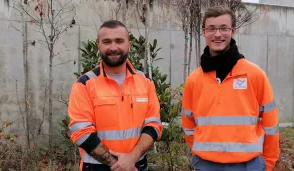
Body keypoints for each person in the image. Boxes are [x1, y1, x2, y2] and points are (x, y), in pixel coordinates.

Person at [181, 6, 279, 171]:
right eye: (211, 29)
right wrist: (201, 151)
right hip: (206, 165)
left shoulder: (255, 75)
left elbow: (271, 124)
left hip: (249, 165)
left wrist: (267, 163)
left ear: (233, 30)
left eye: (223, 28)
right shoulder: (194, 80)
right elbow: (188, 123)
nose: (217, 34)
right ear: (204, 32)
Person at [67, 20, 162, 171]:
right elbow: (81, 132)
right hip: (97, 167)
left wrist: (131, 159)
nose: (113, 47)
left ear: (129, 44)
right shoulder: (84, 84)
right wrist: (119, 165)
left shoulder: (145, 82)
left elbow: (153, 126)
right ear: (98, 45)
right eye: (106, 42)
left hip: (136, 166)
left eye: (119, 41)